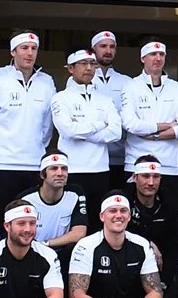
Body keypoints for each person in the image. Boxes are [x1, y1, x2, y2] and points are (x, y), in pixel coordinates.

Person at [68, 195, 178, 298]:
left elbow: (156, 292)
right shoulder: (86, 246)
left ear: (129, 216)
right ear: (102, 216)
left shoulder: (141, 244)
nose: (118, 215)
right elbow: (77, 297)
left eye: (123, 211)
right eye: (112, 211)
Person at [0, 31, 57, 219]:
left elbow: (47, 127)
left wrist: (36, 148)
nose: (29, 53)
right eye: (24, 48)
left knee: (29, 221)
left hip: (34, 166)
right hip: (2, 166)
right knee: (0, 219)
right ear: (13, 51)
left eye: (34, 48)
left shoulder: (46, 83)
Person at [51, 49, 124, 203]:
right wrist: (100, 124)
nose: (89, 68)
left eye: (92, 64)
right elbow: (68, 131)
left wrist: (83, 132)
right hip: (72, 169)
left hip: (100, 170)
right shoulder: (60, 98)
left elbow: (116, 133)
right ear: (71, 68)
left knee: (98, 219)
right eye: (83, 63)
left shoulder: (105, 100)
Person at [122, 40, 178, 199]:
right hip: (136, 163)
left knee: (167, 216)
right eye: (153, 54)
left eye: (161, 54)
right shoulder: (131, 86)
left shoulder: (176, 88)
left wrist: (154, 135)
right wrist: (167, 125)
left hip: (168, 165)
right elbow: (130, 124)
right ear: (142, 58)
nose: (158, 58)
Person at [22, 153, 91, 253]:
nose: (60, 173)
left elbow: (79, 233)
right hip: (33, 253)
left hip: (62, 252)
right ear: (42, 175)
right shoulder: (26, 199)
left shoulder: (75, 193)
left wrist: (46, 244)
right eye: (53, 168)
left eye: (64, 169)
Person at [88, 30, 133, 175]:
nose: (108, 50)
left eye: (112, 46)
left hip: (121, 159)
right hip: (90, 158)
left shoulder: (127, 82)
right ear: (93, 49)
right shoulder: (81, 80)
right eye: (103, 46)